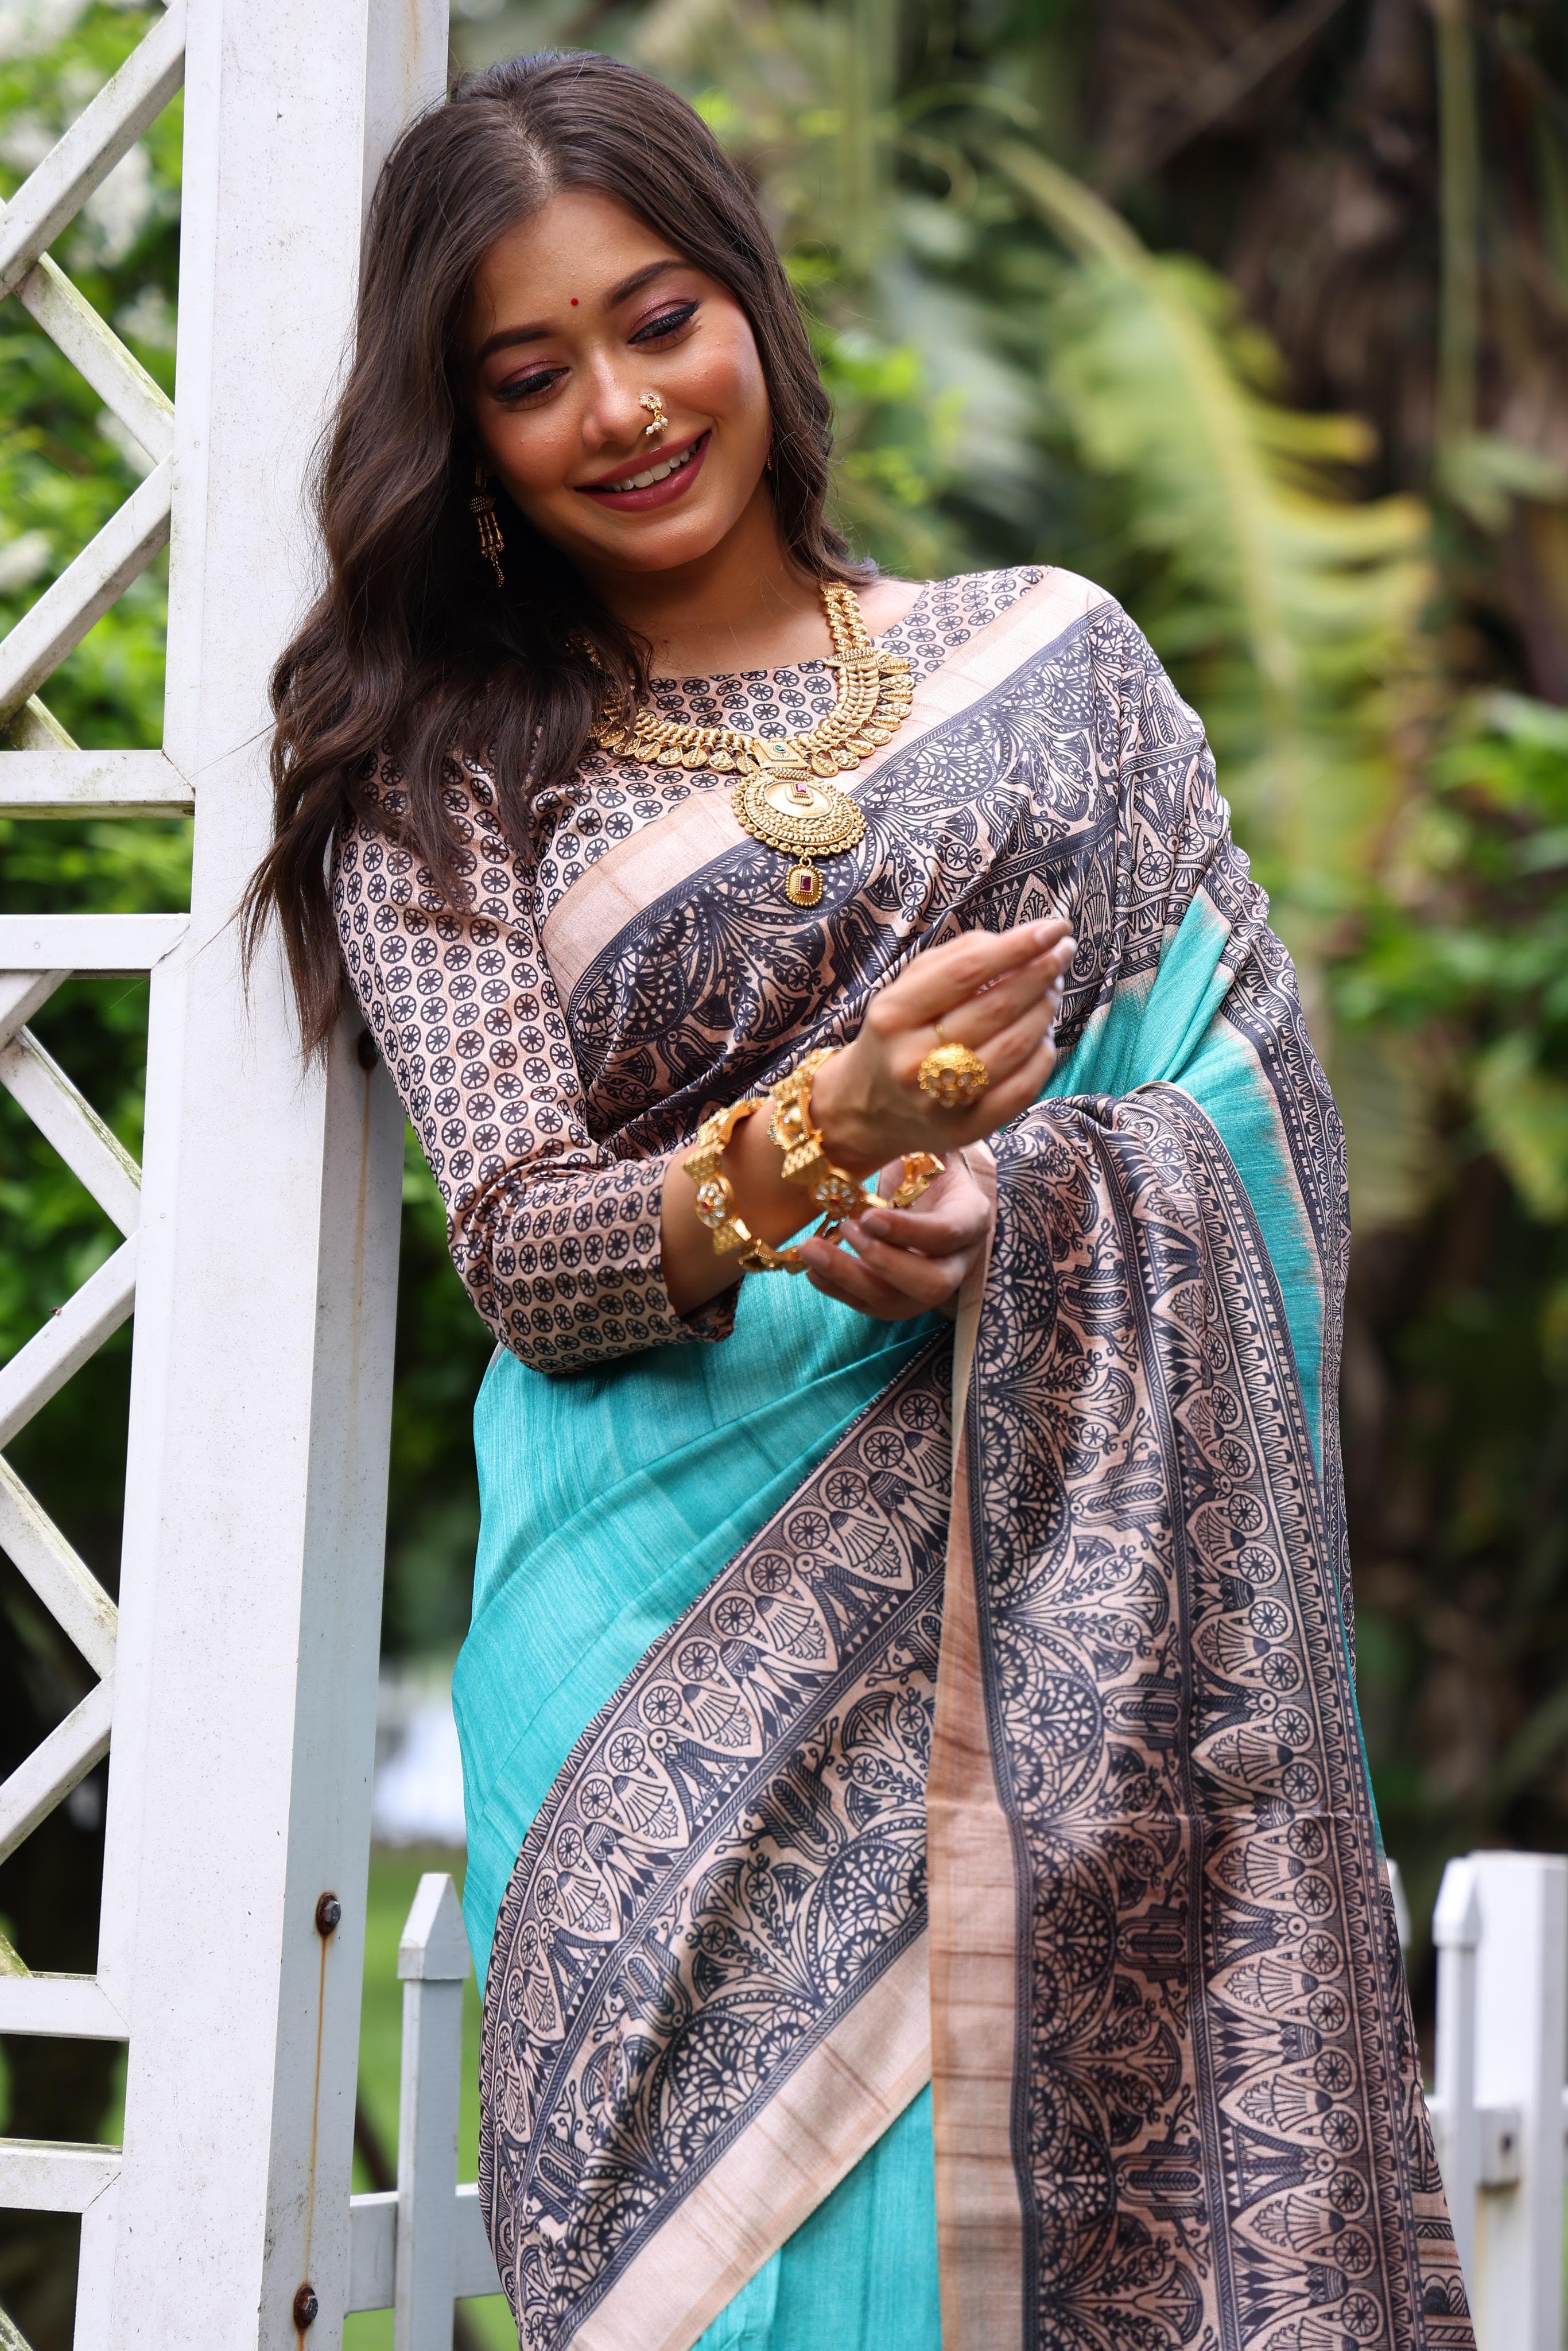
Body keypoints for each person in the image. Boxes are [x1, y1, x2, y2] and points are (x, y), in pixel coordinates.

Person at [244, 49, 1472, 2351]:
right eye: (528, 375)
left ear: (754, 315)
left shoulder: (1054, 671)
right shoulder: (442, 781)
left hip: (1064, 1653)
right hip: (646, 1681)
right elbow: (522, 1243)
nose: (618, 403)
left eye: (658, 316)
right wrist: (810, 1134)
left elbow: (1250, 1117)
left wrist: (1010, 1208)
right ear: (465, 430)